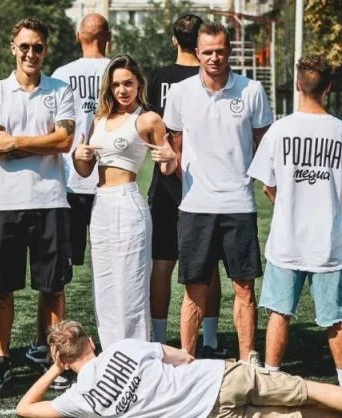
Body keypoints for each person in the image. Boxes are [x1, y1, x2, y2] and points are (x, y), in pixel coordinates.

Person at [14, 320, 342, 418]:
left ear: (64, 360)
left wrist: (54, 372)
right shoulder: (123, 348)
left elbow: (24, 409)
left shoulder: (81, 399)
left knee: (297, 414)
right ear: (90, 342)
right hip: (218, 377)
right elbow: (182, 357)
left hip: (211, 414)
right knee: (306, 389)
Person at [248, 54, 342, 389]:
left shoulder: (280, 130)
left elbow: (267, 185)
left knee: (280, 312)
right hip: (329, 242)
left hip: (287, 240)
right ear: (328, 87)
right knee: (336, 318)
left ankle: (271, 383)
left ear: (298, 84)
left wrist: (287, 204)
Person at [163, 22, 274, 363]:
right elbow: (175, 144)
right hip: (196, 206)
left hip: (239, 205)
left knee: (244, 288)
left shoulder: (252, 90)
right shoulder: (180, 93)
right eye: (208, 52)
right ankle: (187, 361)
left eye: (220, 51)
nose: (214, 58)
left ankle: (247, 360)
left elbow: (265, 145)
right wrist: (191, 180)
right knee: (194, 289)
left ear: (230, 51)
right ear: (197, 53)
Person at [0, 17, 75, 390]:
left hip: (51, 201)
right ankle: (3, 360)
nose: (31, 53)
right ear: (13, 48)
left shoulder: (60, 89)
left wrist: (16, 141)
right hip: (5, 203)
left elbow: (64, 141)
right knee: (2, 288)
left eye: (38, 47)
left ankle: (55, 362)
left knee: (52, 287)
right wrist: (43, 141)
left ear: (45, 50)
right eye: (25, 46)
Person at [73, 54, 177, 348]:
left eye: (128, 83)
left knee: (130, 286)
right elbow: (85, 170)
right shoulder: (99, 119)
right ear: (109, 87)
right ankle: (112, 354)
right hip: (101, 204)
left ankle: (138, 356)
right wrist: (78, 155)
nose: (122, 90)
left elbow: (167, 166)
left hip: (128, 203)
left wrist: (170, 157)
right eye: (116, 84)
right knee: (104, 286)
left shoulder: (148, 119)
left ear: (139, 84)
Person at [145, 13, 226, 357]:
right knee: (210, 265)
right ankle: (210, 339)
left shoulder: (156, 78)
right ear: (200, 42)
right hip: (205, 180)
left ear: (174, 40)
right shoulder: (211, 76)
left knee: (162, 261)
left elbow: (145, 125)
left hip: (165, 181)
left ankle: (159, 340)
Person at [41, 12, 110, 369]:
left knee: (56, 276)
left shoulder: (62, 74)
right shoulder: (117, 70)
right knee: (108, 270)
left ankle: (49, 345)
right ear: (108, 37)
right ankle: (110, 339)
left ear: (78, 36)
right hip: (108, 183)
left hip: (67, 183)